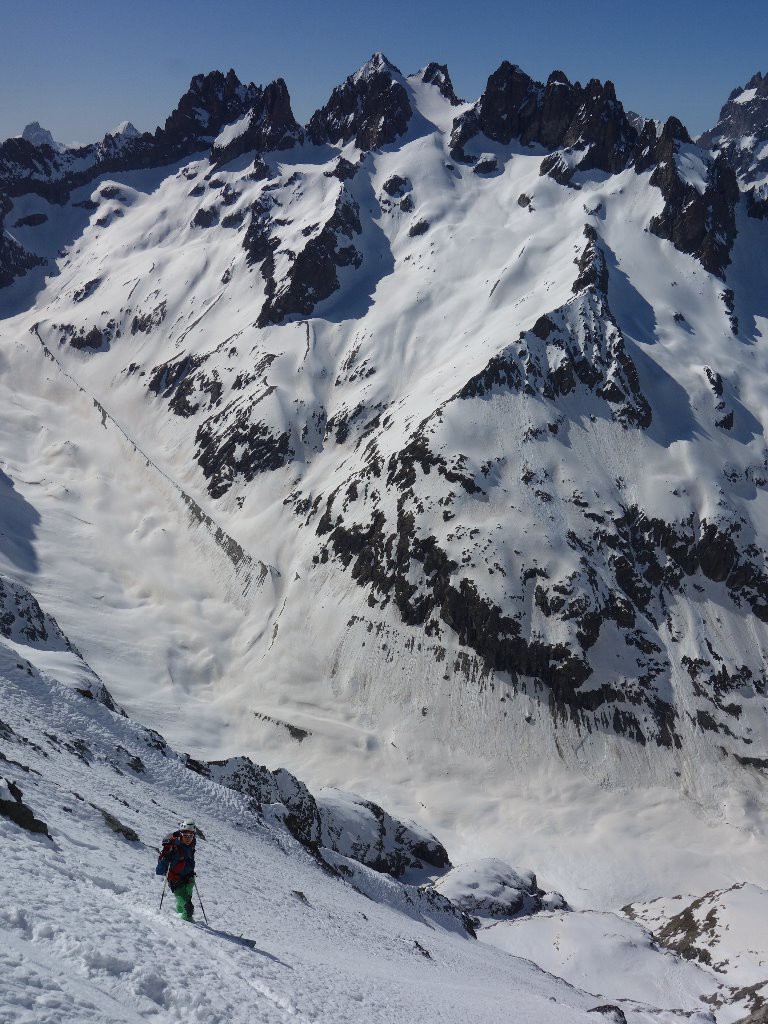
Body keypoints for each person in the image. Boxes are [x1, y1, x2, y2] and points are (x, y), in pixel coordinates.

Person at [156, 820, 197, 921]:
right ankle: (186, 925)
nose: (188, 838)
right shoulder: (171, 847)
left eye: (191, 835)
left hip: (189, 878)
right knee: (188, 907)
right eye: (185, 835)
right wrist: (166, 858)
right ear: (181, 834)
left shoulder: (191, 844)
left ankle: (178, 917)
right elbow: (159, 870)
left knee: (185, 900)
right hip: (176, 880)